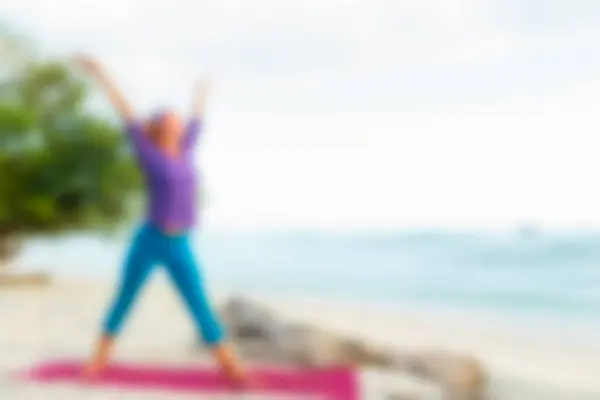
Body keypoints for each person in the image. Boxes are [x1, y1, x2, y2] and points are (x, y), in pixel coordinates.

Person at [74, 55, 249, 385]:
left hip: (180, 242)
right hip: (150, 239)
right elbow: (124, 109)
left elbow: (199, 116)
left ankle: (233, 369)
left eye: (178, 119)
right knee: (125, 298)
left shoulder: (187, 150)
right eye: (172, 118)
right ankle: (97, 361)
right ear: (161, 126)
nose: (178, 121)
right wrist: (100, 72)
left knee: (199, 304)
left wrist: (202, 88)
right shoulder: (148, 152)